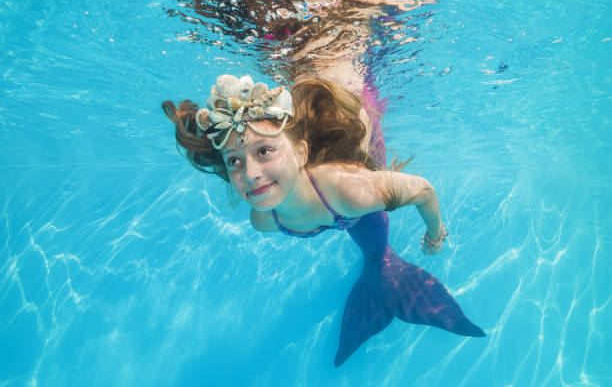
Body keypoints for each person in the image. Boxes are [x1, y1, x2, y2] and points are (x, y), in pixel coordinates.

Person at [162, 71, 485, 367]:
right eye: (234, 160)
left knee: (361, 206)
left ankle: (382, 267)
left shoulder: (351, 191)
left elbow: (424, 191)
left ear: (302, 152)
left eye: (264, 152)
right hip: (331, 194)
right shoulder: (264, 218)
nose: (250, 174)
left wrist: (435, 237)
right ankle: (379, 270)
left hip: (353, 111)